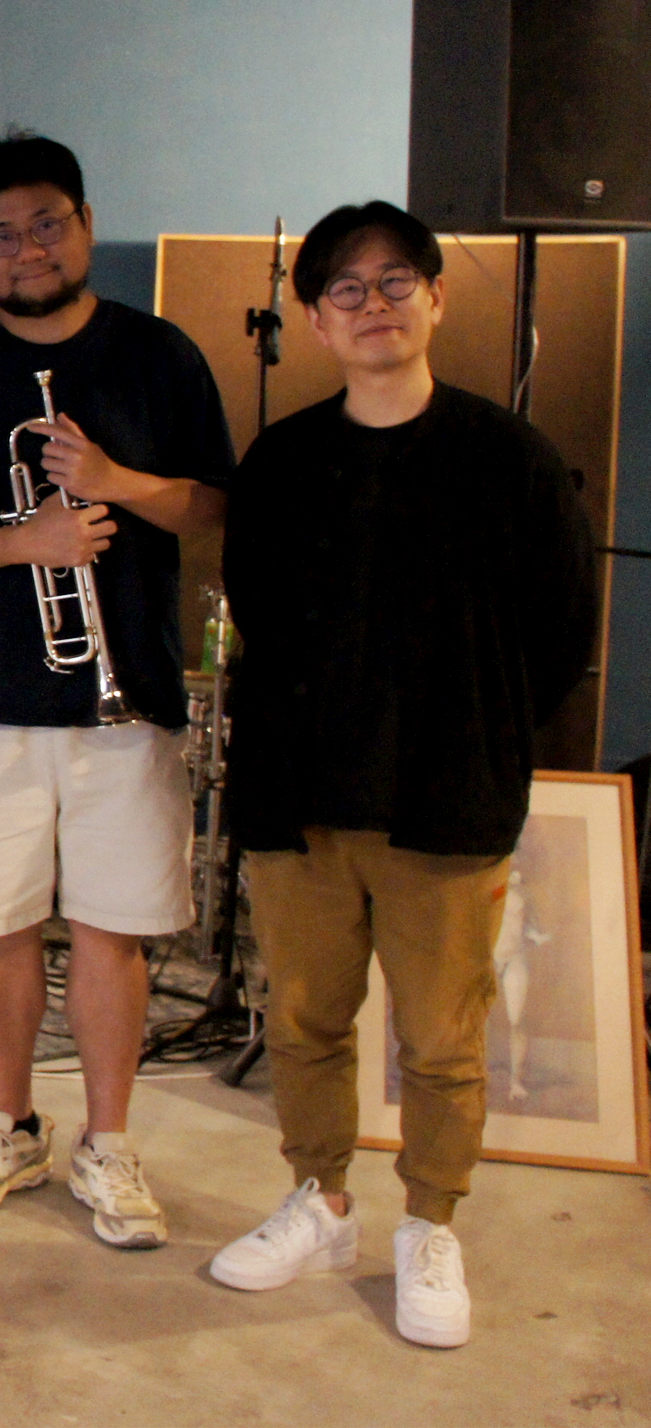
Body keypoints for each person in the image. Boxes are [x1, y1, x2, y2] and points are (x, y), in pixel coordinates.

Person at [209, 201, 595, 1348]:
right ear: (314, 319)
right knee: (303, 1018)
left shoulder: (510, 458)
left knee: (438, 1037)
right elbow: (257, 610)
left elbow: (557, 632)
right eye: (344, 287)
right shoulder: (280, 460)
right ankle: (318, 1199)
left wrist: (482, 737)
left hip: (443, 796)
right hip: (300, 796)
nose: (370, 304)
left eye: (391, 282)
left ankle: (429, 1221)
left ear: (434, 296)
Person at [0, 130, 231, 1249]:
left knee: (113, 927)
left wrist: (118, 481)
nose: (27, 248)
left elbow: (212, 506)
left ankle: (108, 1141)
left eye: (45, 224)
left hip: (127, 697)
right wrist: (23, 541)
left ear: (82, 223)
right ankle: (5, 1123)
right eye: (0, 234)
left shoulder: (161, 355)